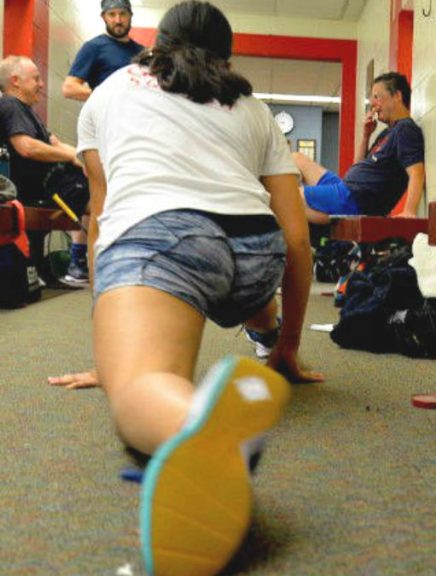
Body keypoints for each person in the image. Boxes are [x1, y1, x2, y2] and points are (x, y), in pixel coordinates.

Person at [75, 2, 322, 574]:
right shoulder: (252, 105)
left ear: (152, 44)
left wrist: (114, 352)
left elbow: (102, 215)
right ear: (227, 55)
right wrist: (287, 349)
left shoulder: (108, 92)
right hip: (253, 254)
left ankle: (202, 430)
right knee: (230, 262)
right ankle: (263, 342)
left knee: (140, 382)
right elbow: (296, 238)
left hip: (165, 241)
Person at [58, 0, 144, 285]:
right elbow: (69, 87)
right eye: (112, 14)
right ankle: (85, 268)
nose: (117, 19)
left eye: (122, 14)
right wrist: (106, 95)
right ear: (104, 17)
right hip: (100, 133)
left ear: (130, 16)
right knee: (100, 201)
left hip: (132, 134)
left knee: (132, 198)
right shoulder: (94, 47)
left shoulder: (141, 53)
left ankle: (128, 262)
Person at [0, 56, 87, 285]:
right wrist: (71, 157)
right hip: (29, 192)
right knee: (99, 196)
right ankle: (83, 265)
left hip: (44, 188)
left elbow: (56, 144)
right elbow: (26, 147)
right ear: (16, 81)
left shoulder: (27, 111)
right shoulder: (10, 105)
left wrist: (86, 158)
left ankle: (47, 269)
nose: (41, 84)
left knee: (95, 184)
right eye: (36, 79)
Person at [297, 71, 425, 222]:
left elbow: (417, 172)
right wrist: (366, 136)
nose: (373, 103)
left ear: (397, 96)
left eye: (377, 97)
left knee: (289, 197)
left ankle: (337, 226)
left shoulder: (406, 129)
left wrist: (409, 212)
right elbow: (357, 166)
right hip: (346, 189)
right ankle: (326, 220)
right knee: (296, 158)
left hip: (356, 198)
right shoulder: (387, 132)